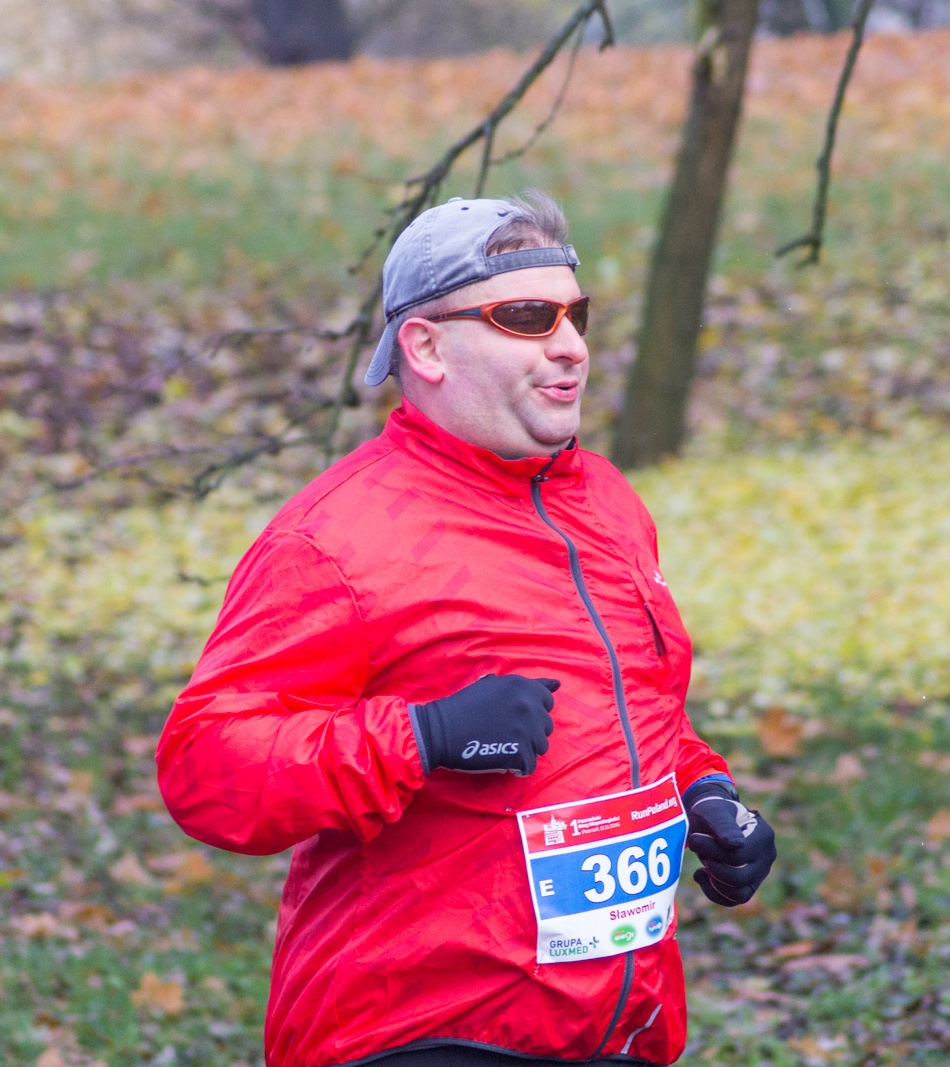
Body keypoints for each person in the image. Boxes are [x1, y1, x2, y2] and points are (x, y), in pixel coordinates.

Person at [157, 191, 776, 1067]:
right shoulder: (338, 538)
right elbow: (207, 766)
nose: (570, 347)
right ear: (427, 346)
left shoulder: (604, 502)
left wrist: (705, 795)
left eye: (575, 315)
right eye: (526, 318)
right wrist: (425, 735)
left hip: (615, 1027)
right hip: (420, 1029)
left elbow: (627, 713)